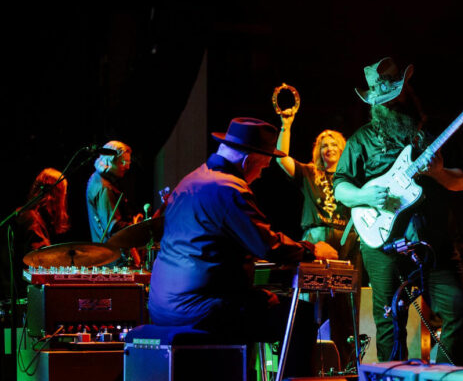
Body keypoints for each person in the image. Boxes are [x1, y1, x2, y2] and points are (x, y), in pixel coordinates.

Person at [148, 117, 338, 377]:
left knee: (259, 302)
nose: (260, 175)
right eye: (262, 168)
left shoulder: (190, 180)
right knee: (299, 318)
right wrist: (312, 250)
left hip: (161, 306)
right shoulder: (229, 188)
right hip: (201, 308)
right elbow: (269, 246)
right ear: (248, 162)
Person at [333, 57, 463, 365]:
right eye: (381, 99)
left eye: (393, 94)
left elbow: (461, 182)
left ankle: (445, 373)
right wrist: (365, 195)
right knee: (389, 325)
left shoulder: (433, 134)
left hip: (433, 242)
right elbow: (340, 186)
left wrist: (438, 173)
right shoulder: (362, 139)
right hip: (382, 245)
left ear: (406, 89)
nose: (388, 103)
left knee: (459, 309)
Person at [276, 109, 361, 369]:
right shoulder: (310, 172)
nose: (329, 147)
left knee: (346, 312)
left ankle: (345, 366)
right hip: (317, 244)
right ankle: (309, 365)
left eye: (334, 143)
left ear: (343, 149)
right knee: (313, 309)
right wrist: (286, 126)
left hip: (347, 247)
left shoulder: (352, 179)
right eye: (324, 144)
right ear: (318, 151)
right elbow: (281, 159)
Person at [1, 168, 70, 298]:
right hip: (21, 291)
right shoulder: (32, 219)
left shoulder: (31, 215)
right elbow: (40, 256)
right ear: (56, 194)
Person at [86, 140, 139, 244]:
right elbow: (114, 228)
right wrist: (139, 228)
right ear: (110, 161)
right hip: (111, 255)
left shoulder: (98, 179)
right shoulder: (104, 188)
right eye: (123, 162)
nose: (127, 167)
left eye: (128, 162)